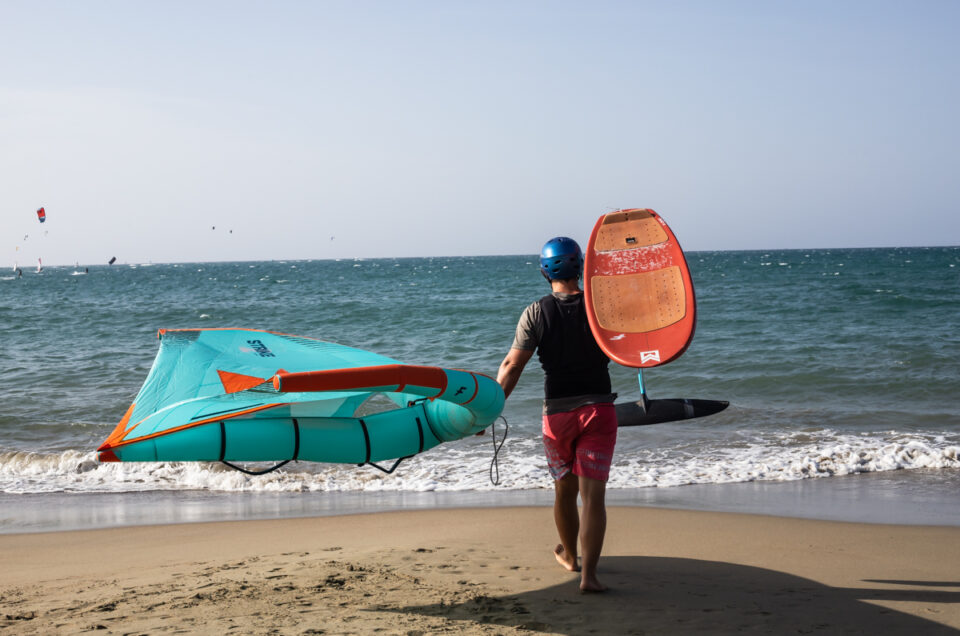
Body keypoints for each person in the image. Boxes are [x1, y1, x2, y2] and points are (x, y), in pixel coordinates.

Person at [496, 236, 618, 593]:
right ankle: (589, 577)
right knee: (594, 498)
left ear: (543, 271)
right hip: (599, 410)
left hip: (558, 416)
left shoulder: (536, 312)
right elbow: (632, 345)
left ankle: (569, 558)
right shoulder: (601, 309)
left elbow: (512, 365)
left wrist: (490, 407)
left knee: (564, 491)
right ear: (580, 266)